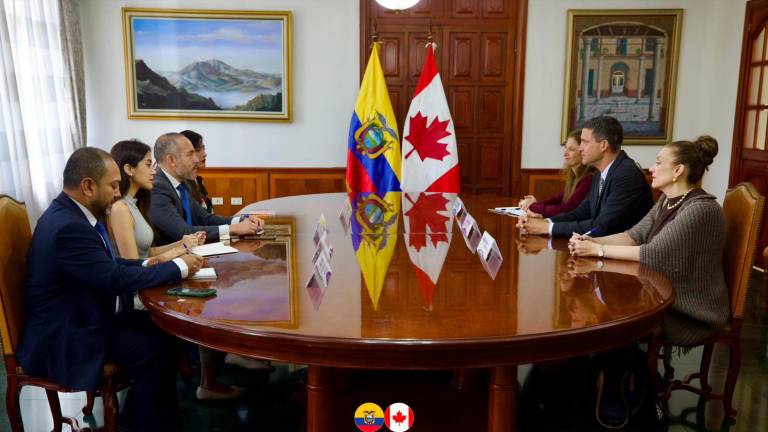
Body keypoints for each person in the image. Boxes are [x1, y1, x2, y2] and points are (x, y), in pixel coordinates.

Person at [17, 148, 203, 431]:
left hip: (85, 313)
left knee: (168, 329)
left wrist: (150, 262)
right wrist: (180, 267)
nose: (118, 193)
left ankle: (148, 419)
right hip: (68, 333)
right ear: (88, 186)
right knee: (155, 347)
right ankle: (141, 424)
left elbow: (106, 265)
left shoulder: (70, 214)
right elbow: (113, 279)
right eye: (113, 186)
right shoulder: (68, 227)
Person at [108, 139, 248, 400]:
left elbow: (148, 252)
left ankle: (217, 366)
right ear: (129, 169)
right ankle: (204, 376)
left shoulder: (137, 202)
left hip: (151, 277)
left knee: (212, 289)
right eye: (149, 165)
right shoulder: (120, 208)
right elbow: (132, 267)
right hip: (138, 295)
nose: (153, 170)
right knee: (206, 298)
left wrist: (180, 247)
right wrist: (177, 264)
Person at [569, 136, 729, 345]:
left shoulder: (700, 209)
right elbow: (633, 236)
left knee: (612, 323)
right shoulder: (667, 200)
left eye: (659, 162)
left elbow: (651, 254)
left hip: (692, 311)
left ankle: (631, 375)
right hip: (661, 293)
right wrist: (591, 240)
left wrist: (595, 251)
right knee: (609, 317)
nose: (652, 167)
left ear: (678, 171)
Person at [518, 116, 653, 238]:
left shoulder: (626, 174)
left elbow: (602, 227)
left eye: (584, 142)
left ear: (603, 145)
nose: (580, 148)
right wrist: (546, 221)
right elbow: (582, 212)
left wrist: (548, 228)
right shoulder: (601, 171)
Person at [149, 132, 263, 246]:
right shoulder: (157, 188)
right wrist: (232, 228)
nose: (196, 160)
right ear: (171, 160)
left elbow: (205, 218)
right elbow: (184, 233)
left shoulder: (181, 183)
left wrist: (242, 220)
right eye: (190, 155)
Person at [518, 129, 596, 218]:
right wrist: (534, 203)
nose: (565, 153)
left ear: (582, 152)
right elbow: (557, 199)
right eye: (565, 148)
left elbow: (565, 210)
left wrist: (532, 205)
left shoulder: (588, 179)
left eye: (571, 149)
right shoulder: (574, 177)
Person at [180, 129, 214, 213]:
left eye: (203, 148)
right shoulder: (181, 183)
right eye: (198, 150)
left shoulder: (198, 179)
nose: (204, 154)